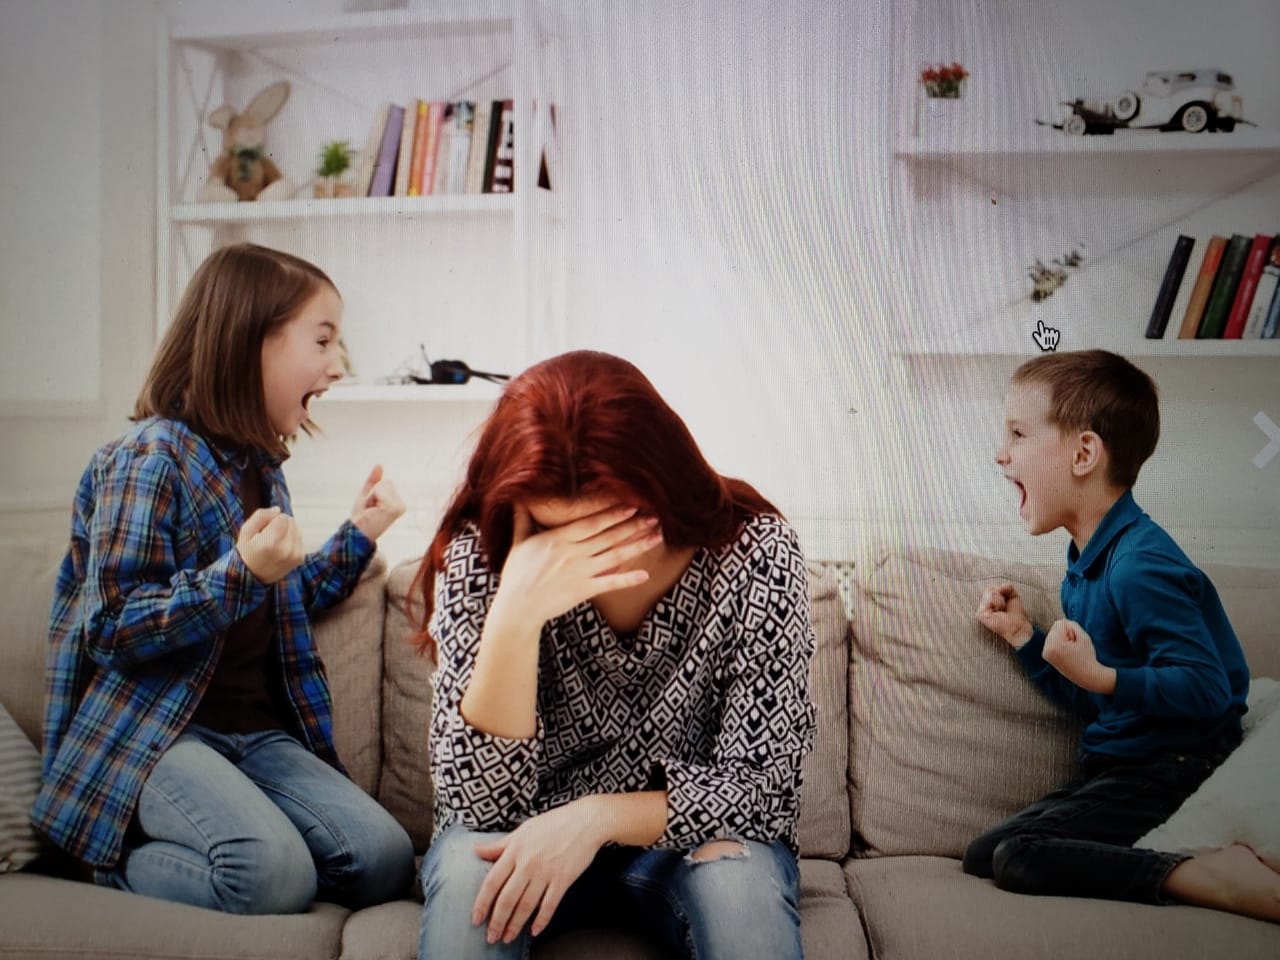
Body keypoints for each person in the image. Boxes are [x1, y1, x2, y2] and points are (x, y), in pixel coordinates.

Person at [33, 243, 415, 914]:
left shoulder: (259, 467)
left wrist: (361, 533)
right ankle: (97, 863)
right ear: (249, 342)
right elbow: (111, 627)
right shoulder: (147, 459)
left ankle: (234, 840)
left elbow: (286, 595)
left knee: (383, 859)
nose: (336, 366)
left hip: (256, 735)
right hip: (157, 731)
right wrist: (238, 575)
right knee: (273, 877)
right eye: (322, 340)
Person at [412, 350, 817, 958]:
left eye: (613, 527)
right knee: (474, 876)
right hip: (521, 837)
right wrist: (516, 617)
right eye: (558, 534)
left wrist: (596, 817)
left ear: (665, 484)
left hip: (684, 844)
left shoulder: (758, 553)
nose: (590, 563)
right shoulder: (482, 557)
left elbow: (764, 790)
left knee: (739, 886)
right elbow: (476, 807)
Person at [965, 348, 1280, 922]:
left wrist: (1104, 675)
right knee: (983, 855)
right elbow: (1095, 696)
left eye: (1018, 433)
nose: (999, 453)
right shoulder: (1085, 563)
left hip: (1174, 764)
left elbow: (1209, 689)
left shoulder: (1139, 563)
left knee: (1020, 858)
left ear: (1084, 453)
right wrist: (1026, 641)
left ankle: (1206, 873)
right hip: (1121, 767)